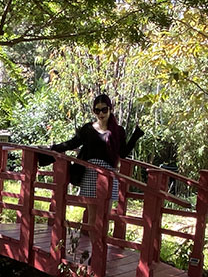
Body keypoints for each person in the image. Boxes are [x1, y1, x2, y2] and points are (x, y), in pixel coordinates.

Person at [40, 94, 144, 252]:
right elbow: (71, 143)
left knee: (104, 217)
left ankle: (100, 252)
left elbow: (122, 154)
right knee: (92, 217)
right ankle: (95, 253)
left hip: (109, 175)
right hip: (90, 174)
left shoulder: (118, 131)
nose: (101, 113)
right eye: (97, 110)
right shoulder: (88, 129)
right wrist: (51, 149)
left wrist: (136, 135)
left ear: (110, 109)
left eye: (104, 110)